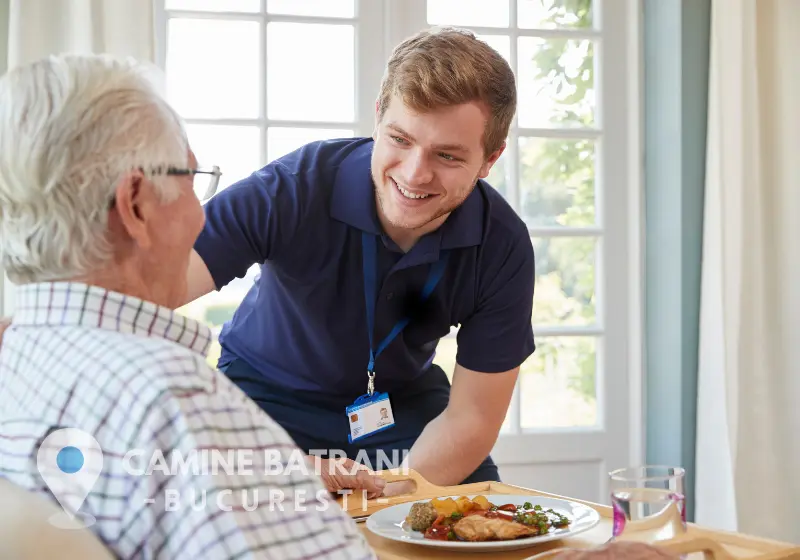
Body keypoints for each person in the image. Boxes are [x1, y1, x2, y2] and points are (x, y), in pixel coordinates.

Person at [0, 53, 375, 559]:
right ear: (135, 203)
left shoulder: (16, 354)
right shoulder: (171, 395)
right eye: (192, 180)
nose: (202, 215)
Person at [183, 27, 535, 490]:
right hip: (264, 398)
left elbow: (471, 417)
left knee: (471, 525)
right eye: (401, 139)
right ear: (378, 119)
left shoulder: (503, 244)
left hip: (400, 408)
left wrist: (391, 495)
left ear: (490, 159)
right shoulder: (291, 189)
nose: (414, 174)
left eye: (447, 156)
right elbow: (145, 286)